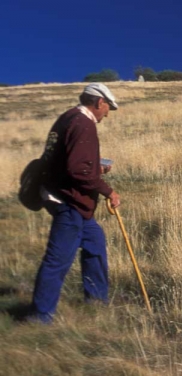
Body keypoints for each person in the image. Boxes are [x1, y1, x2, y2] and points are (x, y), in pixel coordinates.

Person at [28, 83, 121, 323]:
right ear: (99, 102)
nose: (107, 113)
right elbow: (78, 170)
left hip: (73, 201)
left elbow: (70, 161)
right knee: (58, 260)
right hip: (69, 201)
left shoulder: (69, 117)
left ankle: (96, 303)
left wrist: (96, 167)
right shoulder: (83, 124)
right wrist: (108, 191)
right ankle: (39, 318)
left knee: (95, 244)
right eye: (108, 107)